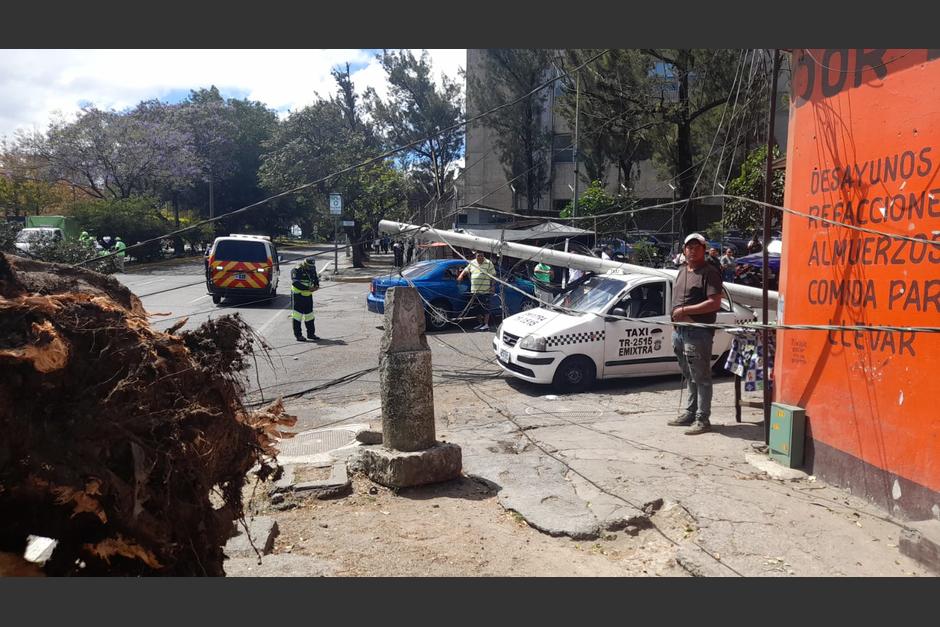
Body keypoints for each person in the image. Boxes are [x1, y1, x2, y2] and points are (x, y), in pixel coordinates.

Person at [668, 233, 723, 435]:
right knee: (688, 375)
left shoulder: (709, 272)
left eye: (696, 247)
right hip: (680, 331)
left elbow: (714, 303)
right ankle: (690, 413)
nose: (692, 250)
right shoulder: (682, 270)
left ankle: (703, 419)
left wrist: (685, 311)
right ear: (684, 250)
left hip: (698, 332)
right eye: (689, 247)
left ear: (704, 249)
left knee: (701, 377)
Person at [457, 250, 497, 331]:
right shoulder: (472, 262)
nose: (480, 257)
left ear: (484, 256)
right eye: (478, 256)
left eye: (481, 255)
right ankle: (481, 323)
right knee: (476, 309)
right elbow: (465, 270)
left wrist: (492, 286)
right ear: (476, 256)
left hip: (485, 290)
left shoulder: (488, 263)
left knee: (485, 308)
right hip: (474, 291)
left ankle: (486, 324)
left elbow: (493, 275)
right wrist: (461, 276)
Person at [290, 258, 320, 342]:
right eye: (309, 267)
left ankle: (311, 334)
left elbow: (315, 278)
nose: (311, 268)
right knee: (297, 316)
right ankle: (298, 335)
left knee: (310, 316)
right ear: (304, 264)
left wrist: (316, 285)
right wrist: (308, 288)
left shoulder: (312, 269)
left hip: (308, 296)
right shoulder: (297, 270)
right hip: (298, 296)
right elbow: (295, 283)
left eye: (312, 267)